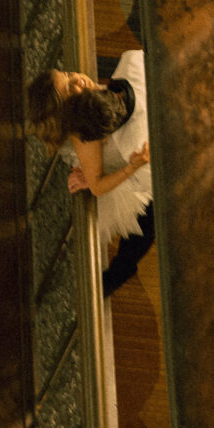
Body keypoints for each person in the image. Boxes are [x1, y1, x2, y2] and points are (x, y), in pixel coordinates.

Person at [27, 50, 154, 296]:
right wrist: (121, 168)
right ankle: (123, 269)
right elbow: (98, 183)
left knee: (146, 220)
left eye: (67, 75)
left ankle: (123, 268)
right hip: (132, 164)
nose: (78, 80)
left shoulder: (102, 108)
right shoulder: (85, 135)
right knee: (144, 221)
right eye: (68, 89)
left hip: (135, 154)